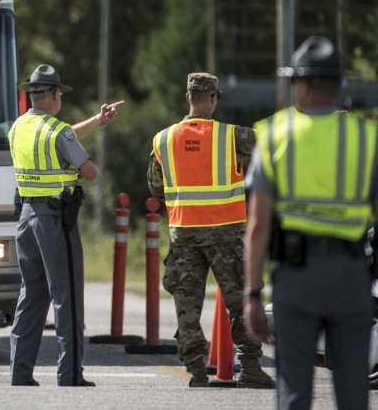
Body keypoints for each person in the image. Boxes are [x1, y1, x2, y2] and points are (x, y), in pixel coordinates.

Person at [244, 36, 377, 410]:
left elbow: (258, 227)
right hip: (352, 278)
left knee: (294, 393)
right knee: (353, 394)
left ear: (299, 83)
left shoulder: (274, 137)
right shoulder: (367, 139)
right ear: (338, 83)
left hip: (296, 280)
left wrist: (253, 295)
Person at [148, 72, 274, 388]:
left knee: (187, 304)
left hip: (184, 232)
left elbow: (155, 188)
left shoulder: (163, 139)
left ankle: (196, 369)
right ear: (214, 98)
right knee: (240, 299)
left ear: (187, 97)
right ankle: (251, 369)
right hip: (226, 233)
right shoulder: (234, 136)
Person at [8, 64, 123, 386]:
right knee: (66, 295)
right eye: (60, 93)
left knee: (31, 295)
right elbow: (90, 171)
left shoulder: (19, 127)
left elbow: (65, 136)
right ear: (54, 95)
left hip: (26, 218)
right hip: (55, 221)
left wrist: (99, 121)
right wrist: (81, 166)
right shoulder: (58, 132)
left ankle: (20, 372)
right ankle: (70, 373)